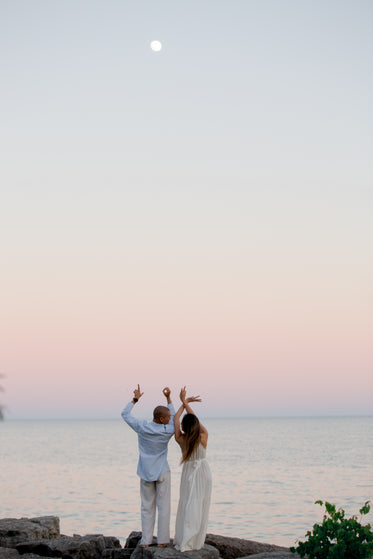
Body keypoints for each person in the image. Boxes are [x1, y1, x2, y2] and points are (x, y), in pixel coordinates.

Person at [121, 384, 175, 548]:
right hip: (162, 472)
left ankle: (146, 541)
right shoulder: (167, 430)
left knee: (146, 507)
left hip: (145, 471)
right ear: (161, 420)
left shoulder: (142, 427)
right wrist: (169, 399)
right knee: (164, 506)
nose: (168, 419)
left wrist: (135, 399)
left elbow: (125, 414)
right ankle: (163, 541)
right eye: (166, 418)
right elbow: (173, 416)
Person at [173, 386, 212, 552]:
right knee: (201, 504)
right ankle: (196, 541)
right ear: (196, 425)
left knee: (188, 504)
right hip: (203, 472)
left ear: (183, 426)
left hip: (190, 472)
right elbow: (195, 419)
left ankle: (185, 539)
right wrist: (186, 403)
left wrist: (182, 403)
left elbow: (175, 418)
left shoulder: (180, 439)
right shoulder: (203, 436)